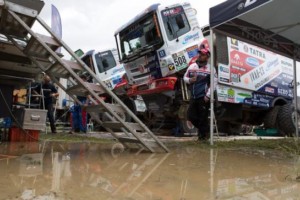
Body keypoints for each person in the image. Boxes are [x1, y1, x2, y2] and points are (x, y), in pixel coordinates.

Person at [183, 45, 217, 141]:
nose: (200, 55)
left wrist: (208, 95)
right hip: (193, 97)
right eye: (199, 53)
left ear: (207, 56)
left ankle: (202, 138)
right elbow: (184, 78)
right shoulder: (192, 66)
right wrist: (190, 80)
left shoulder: (211, 69)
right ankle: (205, 131)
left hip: (203, 97)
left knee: (202, 118)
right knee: (190, 116)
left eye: (202, 54)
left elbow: (214, 83)